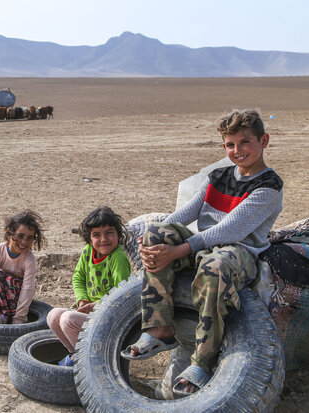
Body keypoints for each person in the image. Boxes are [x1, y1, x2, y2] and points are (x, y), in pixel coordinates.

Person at [121, 109, 283, 397]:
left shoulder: (269, 186)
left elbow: (230, 230)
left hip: (239, 252)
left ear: (264, 140)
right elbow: (185, 214)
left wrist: (179, 250)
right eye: (230, 145)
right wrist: (153, 241)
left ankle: (203, 361)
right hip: (202, 244)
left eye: (245, 142)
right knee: (156, 232)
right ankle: (159, 329)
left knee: (215, 266)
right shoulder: (218, 176)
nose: (238, 150)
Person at [47, 206, 131, 366]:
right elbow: (78, 277)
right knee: (53, 316)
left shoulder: (117, 258)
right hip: (92, 314)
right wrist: (83, 301)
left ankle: (87, 360)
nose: (104, 239)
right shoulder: (87, 252)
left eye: (109, 233)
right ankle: (76, 354)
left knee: (68, 319)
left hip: (110, 317)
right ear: (89, 239)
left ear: (118, 235)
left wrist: (95, 305)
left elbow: (121, 295)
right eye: (97, 235)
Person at [0, 210, 46, 324]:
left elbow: (28, 288)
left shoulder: (29, 259)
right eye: (20, 236)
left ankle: (11, 317)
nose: (23, 242)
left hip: (17, 298)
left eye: (29, 238)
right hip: (0, 296)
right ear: (10, 234)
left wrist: (19, 318)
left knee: (11, 280)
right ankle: (0, 315)